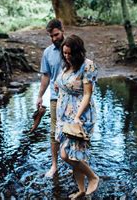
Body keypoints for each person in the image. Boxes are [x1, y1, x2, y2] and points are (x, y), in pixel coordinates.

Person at [54, 34, 99, 198]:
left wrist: (77, 117)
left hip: (80, 115)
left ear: (78, 52)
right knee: (75, 155)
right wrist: (59, 85)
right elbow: (62, 82)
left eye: (70, 53)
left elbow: (87, 94)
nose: (67, 56)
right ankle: (81, 190)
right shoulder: (66, 65)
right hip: (64, 115)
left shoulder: (88, 66)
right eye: (64, 53)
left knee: (66, 155)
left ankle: (93, 177)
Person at [36, 18, 65, 178]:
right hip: (55, 98)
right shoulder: (47, 52)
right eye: (51, 36)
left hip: (73, 98)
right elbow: (46, 76)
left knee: (76, 131)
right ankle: (54, 166)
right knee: (54, 133)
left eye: (56, 35)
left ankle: (78, 164)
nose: (54, 39)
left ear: (63, 30)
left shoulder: (73, 48)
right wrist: (40, 96)